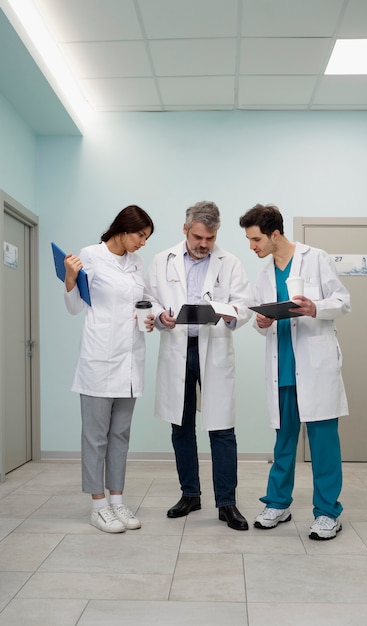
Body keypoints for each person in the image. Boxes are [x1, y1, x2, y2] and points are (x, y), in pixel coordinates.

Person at [239, 203, 350, 540]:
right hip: (282, 369)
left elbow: (342, 301)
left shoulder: (316, 259)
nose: (252, 246)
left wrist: (317, 307)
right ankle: (277, 503)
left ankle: (328, 513)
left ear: (275, 234)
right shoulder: (263, 275)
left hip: (315, 367)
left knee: (323, 444)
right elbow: (263, 326)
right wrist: (261, 322)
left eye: (256, 239)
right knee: (283, 442)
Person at [145, 201, 253, 531]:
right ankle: (190, 494)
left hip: (214, 347)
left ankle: (227, 503)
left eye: (210, 237)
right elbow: (151, 299)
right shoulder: (162, 260)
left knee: (222, 430)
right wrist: (162, 315)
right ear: (185, 229)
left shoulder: (229, 262)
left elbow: (244, 304)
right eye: (198, 237)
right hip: (179, 347)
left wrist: (229, 312)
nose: (204, 244)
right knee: (181, 425)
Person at [64, 204, 155, 533]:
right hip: (98, 360)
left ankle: (117, 501)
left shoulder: (136, 263)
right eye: (140, 236)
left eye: (146, 238)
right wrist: (71, 277)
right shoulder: (90, 255)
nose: (143, 243)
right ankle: (98, 506)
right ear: (123, 229)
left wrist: (151, 316)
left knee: (120, 435)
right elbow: (75, 307)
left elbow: (143, 301)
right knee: (95, 437)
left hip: (130, 360)